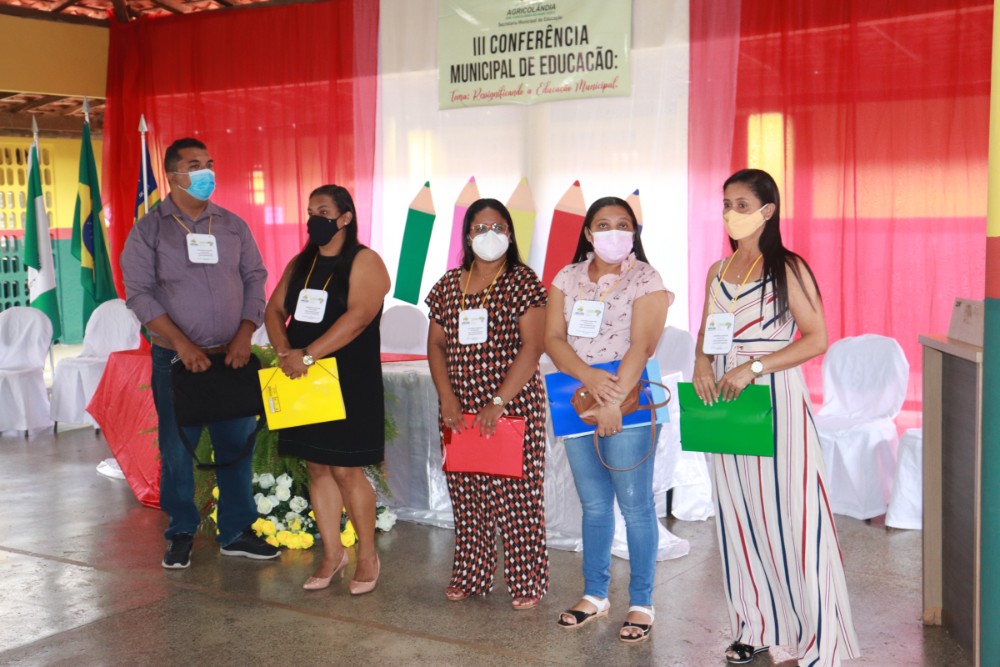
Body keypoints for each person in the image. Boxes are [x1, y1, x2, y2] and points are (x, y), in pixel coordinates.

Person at [693, 169, 860, 666]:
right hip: (722, 402)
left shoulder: (788, 267)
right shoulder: (718, 270)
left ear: (767, 211)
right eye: (727, 203)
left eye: (742, 204)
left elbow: (817, 339)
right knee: (738, 518)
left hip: (774, 399)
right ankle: (754, 627)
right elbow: (705, 333)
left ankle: (814, 638)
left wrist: (755, 366)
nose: (731, 213)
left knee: (792, 517)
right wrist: (703, 362)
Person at [121, 137, 278, 568]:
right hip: (176, 360)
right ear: (173, 175)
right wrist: (183, 343)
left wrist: (247, 332)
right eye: (195, 164)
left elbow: (254, 279)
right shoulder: (149, 230)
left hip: (232, 356)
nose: (207, 171)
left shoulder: (230, 225)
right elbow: (139, 295)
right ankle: (182, 531)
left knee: (236, 447)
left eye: (209, 163)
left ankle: (236, 531)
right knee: (177, 449)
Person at [544, 196, 671, 643]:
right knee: (594, 504)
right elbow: (553, 339)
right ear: (587, 232)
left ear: (634, 233)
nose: (614, 232)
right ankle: (595, 594)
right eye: (604, 224)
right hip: (575, 394)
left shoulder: (646, 278)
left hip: (628, 397)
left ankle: (641, 601)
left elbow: (642, 345)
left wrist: (615, 397)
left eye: (623, 225)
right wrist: (592, 381)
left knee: (636, 506)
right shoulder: (566, 277)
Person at [264, 184, 390, 595]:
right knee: (317, 466)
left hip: (349, 380)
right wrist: (285, 351)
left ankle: (367, 555)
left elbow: (357, 318)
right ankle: (332, 554)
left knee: (346, 468)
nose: (313, 218)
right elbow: (274, 309)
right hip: (303, 378)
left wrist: (308, 355)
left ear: (346, 217)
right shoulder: (303, 262)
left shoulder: (365, 260)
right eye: (309, 210)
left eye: (322, 210)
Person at [425, 198, 549, 609]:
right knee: (467, 495)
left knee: (518, 498)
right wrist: (447, 399)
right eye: (479, 228)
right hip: (458, 408)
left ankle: (526, 580)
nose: (488, 235)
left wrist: (499, 400)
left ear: (510, 234)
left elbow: (532, 348)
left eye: (497, 227)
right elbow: (436, 347)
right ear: (467, 235)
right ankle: (472, 574)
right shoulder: (448, 285)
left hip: (511, 405)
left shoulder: (522, 281)